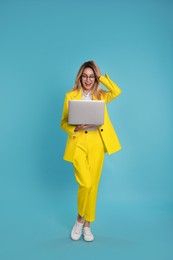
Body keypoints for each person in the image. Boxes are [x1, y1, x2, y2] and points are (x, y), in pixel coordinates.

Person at [60, 61, 122, 242]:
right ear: (80, 77)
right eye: (85, 76)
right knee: (85, 183)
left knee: (93, 185)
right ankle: (79, 219)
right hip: (78, 142)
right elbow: (63, 121)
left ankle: (87, 225)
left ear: (95, 78)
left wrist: (101, 76)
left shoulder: (101, 96)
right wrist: (75, 128)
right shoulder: (70, 96)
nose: (88, 79)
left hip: (96, 142)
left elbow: (117, 91)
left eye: (91, 76)